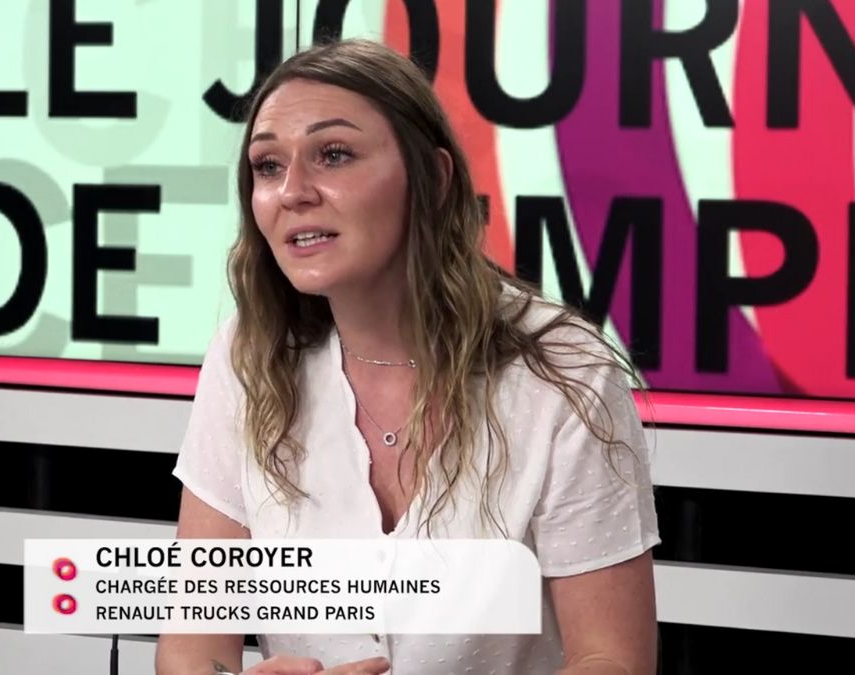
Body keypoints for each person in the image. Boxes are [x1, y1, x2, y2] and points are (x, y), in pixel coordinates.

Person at [155, 38, 661, 675]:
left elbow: (613, 660)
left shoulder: (564, 373)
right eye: (267, 165)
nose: (292, 192)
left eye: (333, 154)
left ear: (434, 178)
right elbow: (192, 648)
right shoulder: (246, 355)